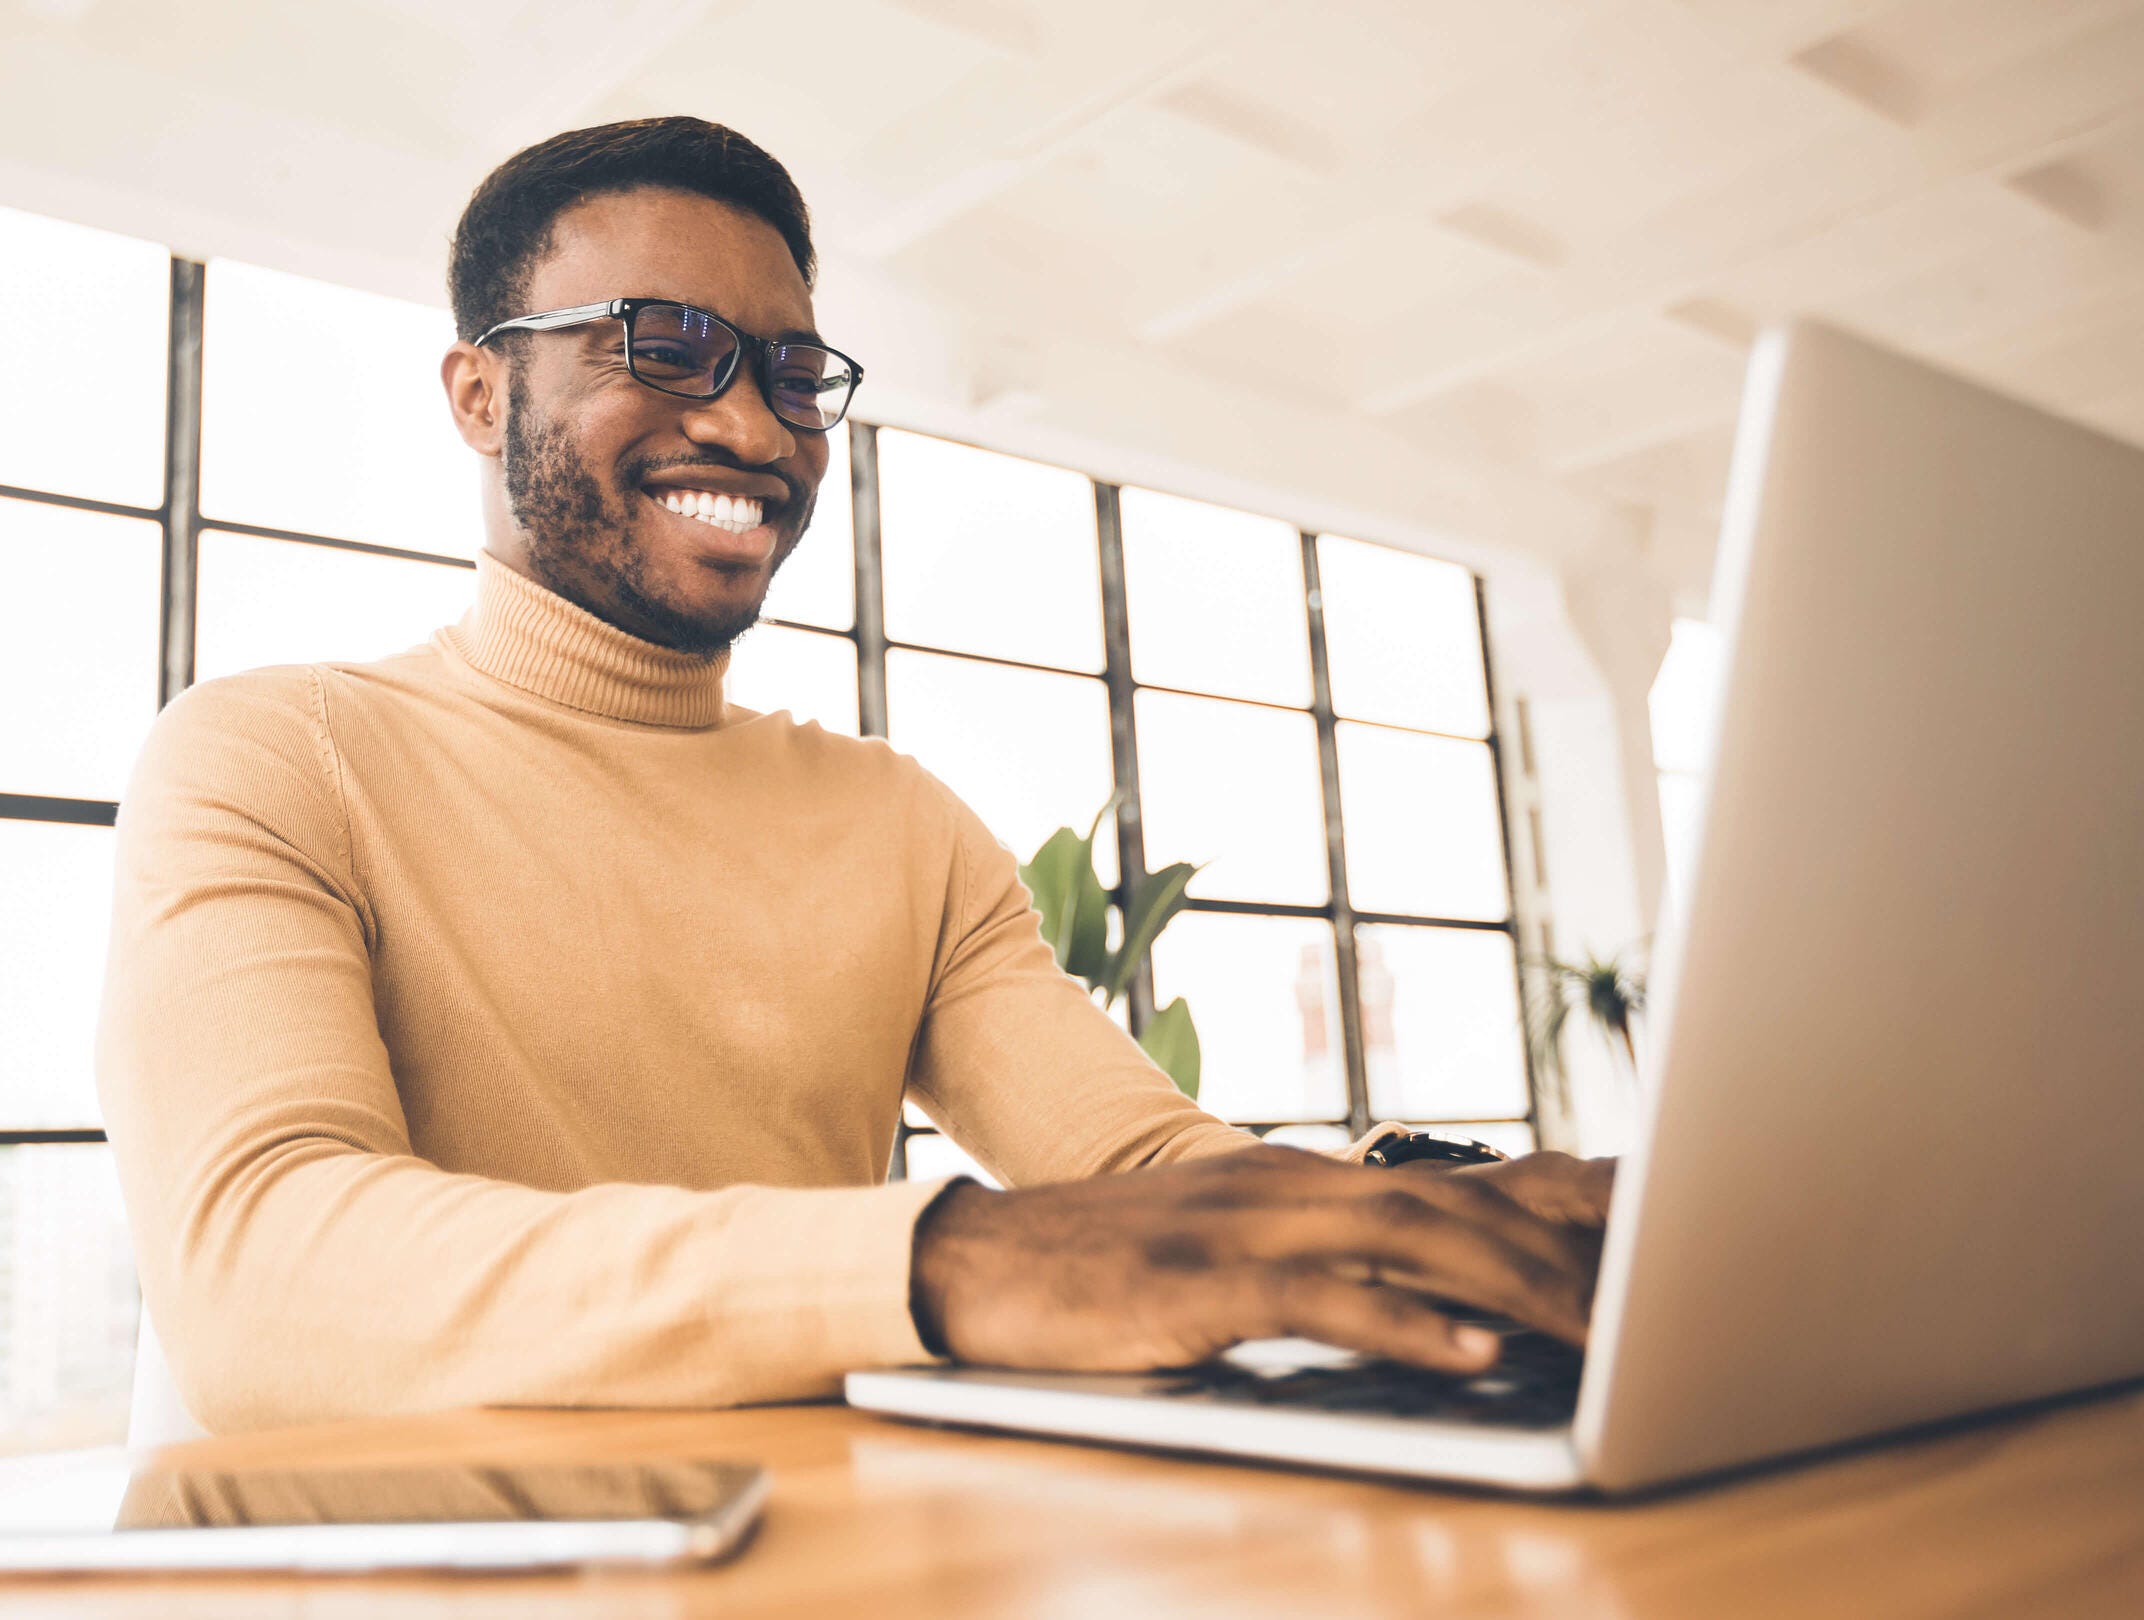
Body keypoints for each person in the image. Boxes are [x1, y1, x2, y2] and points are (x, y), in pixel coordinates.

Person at [97, 116, 1612, 1435]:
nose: (753, 426)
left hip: (816, 1552)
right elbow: (260, 1268)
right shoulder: (275, 755)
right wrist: (942, 1262)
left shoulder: (897, 825)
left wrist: (1449, 1214)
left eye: (793, 370)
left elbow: (1146, 1169)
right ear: (482, 395)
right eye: (663, 344)